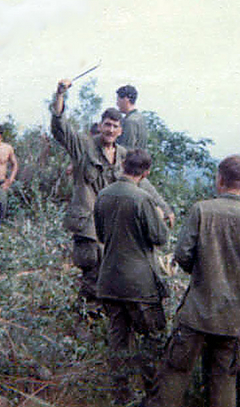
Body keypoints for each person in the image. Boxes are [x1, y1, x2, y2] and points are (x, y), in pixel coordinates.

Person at [144, 155, 240, 407]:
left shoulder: (201, 210)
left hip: (197, 309)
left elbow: (183, 255)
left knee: (176, 371)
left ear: (220, 179)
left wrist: (203, 271)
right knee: (224, 377)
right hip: (233, 315)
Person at [51, 79, 172, 305]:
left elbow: (142, 183)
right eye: (107, 124)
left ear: (120, 130)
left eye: (115, 126)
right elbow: (60, 128)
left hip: (112, 224)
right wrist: (59, 95)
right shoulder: (84, 147)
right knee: (92, 273)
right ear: (100, 125)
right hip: (88, 223)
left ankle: (101, 318)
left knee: (112, 274)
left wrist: (164, 207)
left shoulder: (124, 154)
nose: (110, 130)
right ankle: (84, 320)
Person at [94, 149, 169, 405]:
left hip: (109, 280)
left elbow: (101, 236)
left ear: (123, 165)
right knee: (152, 339)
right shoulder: (143, 198)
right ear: (146, 172)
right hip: (139, 284)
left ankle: (121, 396)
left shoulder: (103, 195)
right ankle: (153, 397)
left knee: (118, 342)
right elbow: (160, 238)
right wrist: (160, 218)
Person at [116, 84, 148, 149]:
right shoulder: (140, 118)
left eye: (118, 99)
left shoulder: (130, 121)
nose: (117, 103)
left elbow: (126, 149)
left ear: (126, 99)